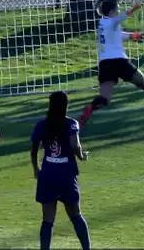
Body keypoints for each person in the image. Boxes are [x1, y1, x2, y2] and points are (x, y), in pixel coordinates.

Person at [79, 0, 144, 129]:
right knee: (142, 82)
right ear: (111, 11)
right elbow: (119, 20)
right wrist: (134, 8)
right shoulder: (112, 21)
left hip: (105, 64)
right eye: (117, 8)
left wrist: (135, 36)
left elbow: (119, 35)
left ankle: (90, 107)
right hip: (119, 61)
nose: (118, 11)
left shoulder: (102, 23)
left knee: (105, 97)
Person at [31, 91, 91, 250]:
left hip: (48, 176)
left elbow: (34, 150)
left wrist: (37, 169)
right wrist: (81, 156)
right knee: (76, 216)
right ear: (65, 106)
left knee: (47, 220)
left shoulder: (41, 125)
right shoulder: (71, 124)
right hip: (66, 176)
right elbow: (74, 145)